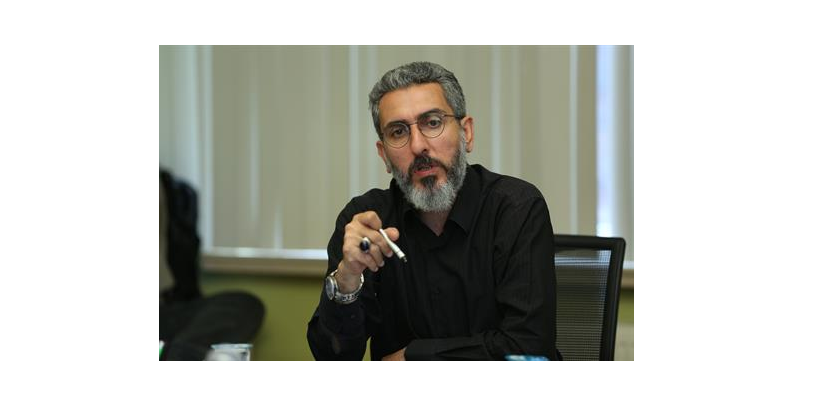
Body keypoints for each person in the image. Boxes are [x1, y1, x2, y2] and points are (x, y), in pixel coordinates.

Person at [307, 61, 558, 361]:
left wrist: (414, 357)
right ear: (384, 155)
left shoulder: (516, 208)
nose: (418, 146)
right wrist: (347, 279)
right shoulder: (367, 224)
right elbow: (334, 358)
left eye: (433, 123)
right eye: (398, 132)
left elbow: (529, 347)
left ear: (466, 133)